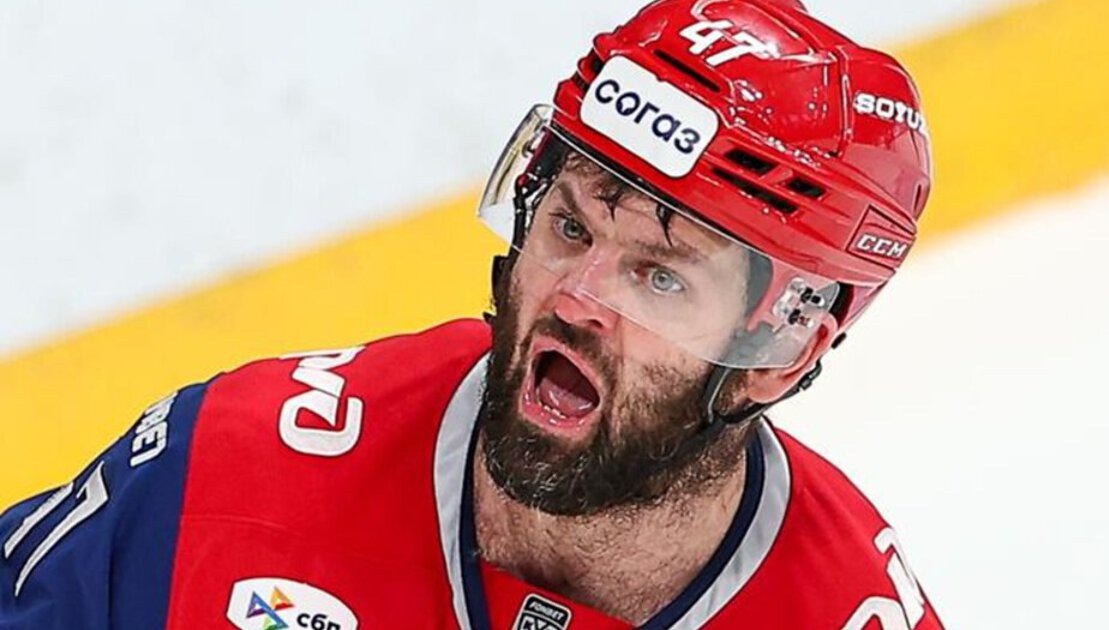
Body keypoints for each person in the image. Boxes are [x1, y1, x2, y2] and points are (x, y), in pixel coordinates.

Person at [0, 0, 941, 628]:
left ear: (780, 354)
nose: (576, 298)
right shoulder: (235, 473)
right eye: (569, 227)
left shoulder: (845, 610)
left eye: (659, 279)